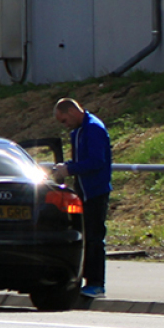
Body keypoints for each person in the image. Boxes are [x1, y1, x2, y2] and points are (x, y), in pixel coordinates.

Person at [52, 98, 112, 299]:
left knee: (95, 238)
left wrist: (70, 169)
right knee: (84, 237)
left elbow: (96, 161)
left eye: (64, 120)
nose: (65, 124)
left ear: (72, 111)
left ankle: (96, 283)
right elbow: (80, 161)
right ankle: (83, 279)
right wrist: (65, 167)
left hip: (95, 191)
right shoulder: (77, 132)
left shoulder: (93, 128)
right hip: (82, 192)